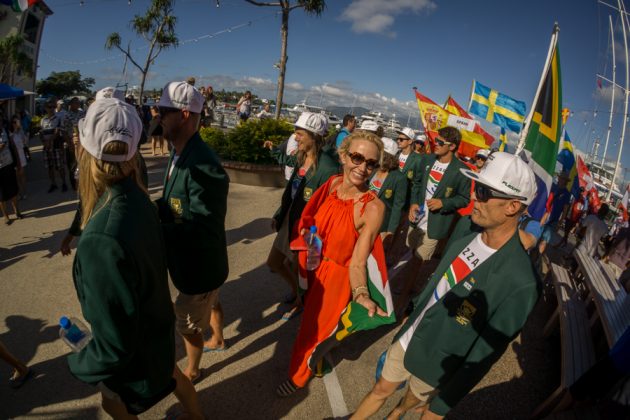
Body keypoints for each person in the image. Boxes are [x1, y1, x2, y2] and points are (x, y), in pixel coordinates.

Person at [352, 152, 540, 419]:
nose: (474, 197)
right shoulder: (466, 227)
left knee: (411, 402)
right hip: (410, 336)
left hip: (437, 363)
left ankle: (396, 413)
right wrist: (409, 319)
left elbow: (485, 354)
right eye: (477, 188)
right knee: (380, 388)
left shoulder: (521, 281)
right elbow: (437, 283)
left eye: (484, 192)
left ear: (512, 206)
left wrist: (442, 406)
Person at [68, 97, 202, 419]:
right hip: (156, 330)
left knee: (112, 404)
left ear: (84, 151)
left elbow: (114, 343)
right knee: (176, 378)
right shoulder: (139, 198)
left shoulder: (102, 236)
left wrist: (80, 360)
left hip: (136, 350)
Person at [276, 131, 387, 397]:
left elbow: (358, 261)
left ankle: (298, 377)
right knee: (314, 327)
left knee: (311, 332)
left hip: (337, 277)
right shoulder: (333, 183)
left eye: (370, 163)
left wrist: (360, 293)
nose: (363, 168)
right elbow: (312, 221)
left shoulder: (372, 208)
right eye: (357, 157)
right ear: (343, 155)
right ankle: (319, 355)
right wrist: (305, 257)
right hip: (313, 265)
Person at [155, 81, 229, 382]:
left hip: (200, 270)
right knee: (211, 302)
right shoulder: (180, 151)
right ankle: (219, 338)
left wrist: (158, 232)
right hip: (199, 268)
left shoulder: (204, 164)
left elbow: (203, 230)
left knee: (186, 323)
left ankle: (193, 370)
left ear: (184, 114)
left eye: (163, 110)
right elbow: (171, 202)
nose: (157, 114)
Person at [265, 112, 340, 320]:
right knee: (274, 263)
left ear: (314, 136)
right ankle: (299, 292)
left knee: (304, 272)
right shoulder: (302, 157)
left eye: (299, 133)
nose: (295, 137)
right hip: (291, 220)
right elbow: (292, 190)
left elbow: (331, 207)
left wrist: (317, 237)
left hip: (309, 231)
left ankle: (301, 300)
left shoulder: (329, 169)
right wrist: (280, 213)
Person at [398, 126, 471, 312]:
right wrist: (414, 203)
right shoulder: (427, 160)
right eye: (435, 141)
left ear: (452, 146)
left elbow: (464, 199)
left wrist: (443, 203)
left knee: (418, 258)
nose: (435, 144)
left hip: (435, 223)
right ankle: (408, 284)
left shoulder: (461, 170)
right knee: (410, 250)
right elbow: (417, 183)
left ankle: (404, 295)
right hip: (417, 217)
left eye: (440, 142)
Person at [369, 137, 407, 253]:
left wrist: (390, 232)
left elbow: (397, 207)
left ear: (385, 156)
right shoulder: (372, 169)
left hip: (382, 225)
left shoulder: (399, 178)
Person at [40, 101, 67, 192]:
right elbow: (41, 132)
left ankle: (64, 183)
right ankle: (53, 184)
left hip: (56, 146)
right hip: (46, 147)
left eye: (52, 107)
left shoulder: (58, 118)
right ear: (46, 108)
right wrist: (44, 142)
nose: (51, 109)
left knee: (60, 166)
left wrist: (49, 141)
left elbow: (57, 131)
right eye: (49, 107)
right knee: (50, 167)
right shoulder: (43, 120)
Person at [0, 114, 22, 224]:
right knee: (1, 194)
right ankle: (6, 216)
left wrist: (18, 163)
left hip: (9, 164)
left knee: (13, 190)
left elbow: (13, 146)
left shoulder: (6, 131)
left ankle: (17, 211)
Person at [63, 97, 85, 190]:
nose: (78, 104)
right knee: (72, 165)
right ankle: (74, 186)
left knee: (82, 164)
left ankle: (83, 183)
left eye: (78, 103)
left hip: (83, 143)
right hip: (72, 144)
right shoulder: (66, 115)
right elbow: (64, 131)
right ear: (70, 104)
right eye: (75, 103)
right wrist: (70, 144)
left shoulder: (82, 113)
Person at [9, 116, 28, 199]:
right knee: (16, 176)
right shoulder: (10, 134)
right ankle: (20, 193)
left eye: (17, 122)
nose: (16, 124)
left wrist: (21, 131)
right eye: (15, 122)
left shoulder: (20, 132)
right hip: (14, 157)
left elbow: (25, 143)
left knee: (22, 175)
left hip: (21, 155)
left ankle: (24, 192)